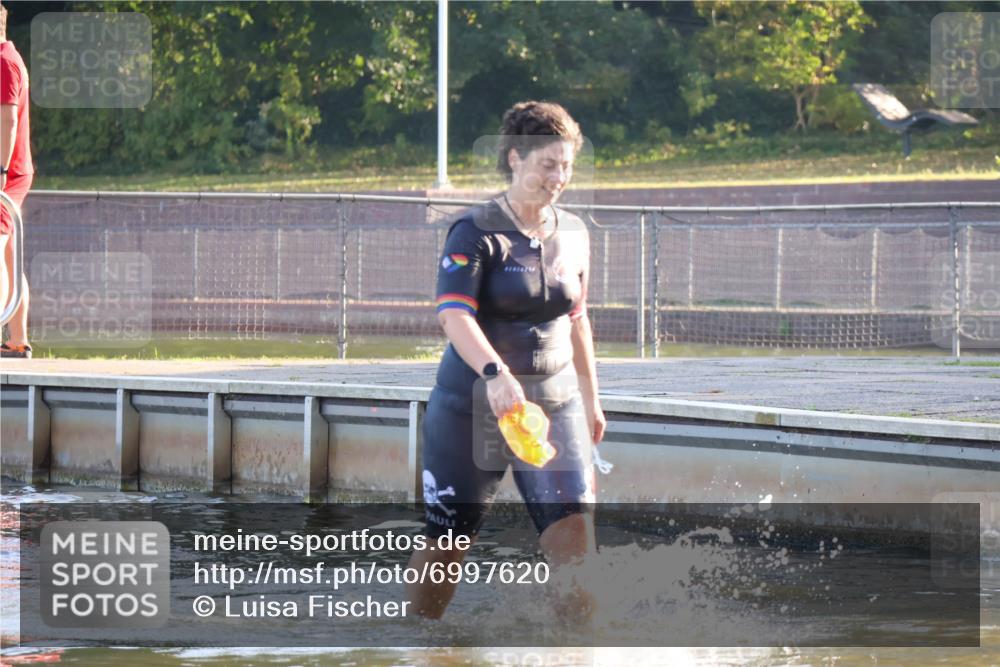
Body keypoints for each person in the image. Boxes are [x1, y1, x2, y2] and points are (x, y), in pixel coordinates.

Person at [406, 101, 606, 619]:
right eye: (547, 164)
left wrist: (591, 402)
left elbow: (578, 320)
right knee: (448, 544)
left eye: (566, 165)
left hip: (555, 404)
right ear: (516, 159)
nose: (558, 177)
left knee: (574, 542)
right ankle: (418, 646)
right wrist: (495, 374)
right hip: (473, 407)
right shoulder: (474, 232)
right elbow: (454, 315)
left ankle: (576, 652)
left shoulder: (576, 233)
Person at [0, 1, 33, 358]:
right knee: (9, 256)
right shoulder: (7, 58)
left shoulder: (5, 62)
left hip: (6, 175)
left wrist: (0, 172)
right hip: (10, 171)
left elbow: (8, 120)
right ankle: (16, 339)